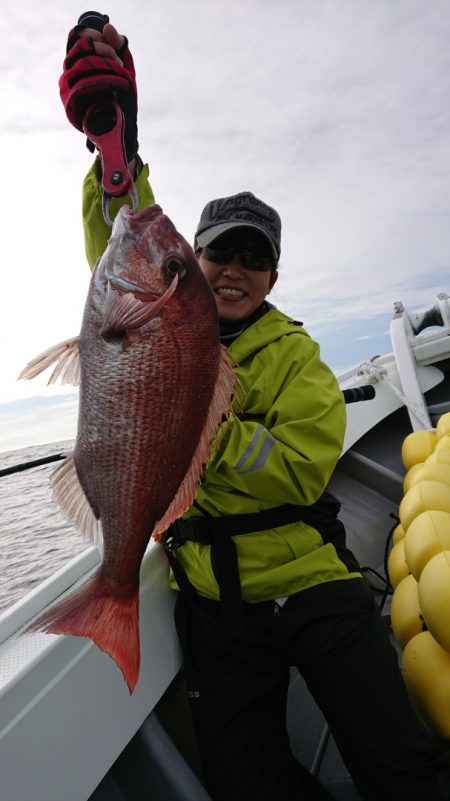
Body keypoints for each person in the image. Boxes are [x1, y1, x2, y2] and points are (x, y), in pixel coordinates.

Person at [61, 13, 449, 801]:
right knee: (246, 787)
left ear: (272, 276)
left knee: (399, 765)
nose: (234, 270)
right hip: (213, 603)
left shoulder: (298, 357)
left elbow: (304, 471)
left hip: (312, 585)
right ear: (194, 264)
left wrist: (205, 424)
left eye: (254, 258)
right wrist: (114, 148)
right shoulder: (161, 301)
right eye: (219, 253)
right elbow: (124, 226)